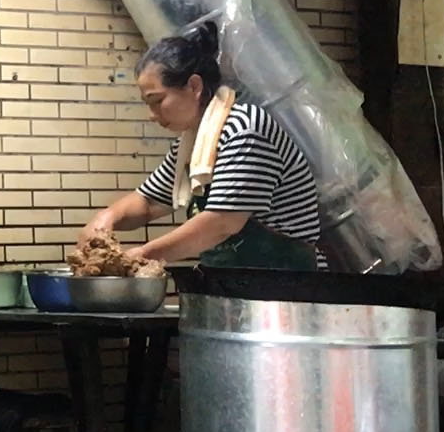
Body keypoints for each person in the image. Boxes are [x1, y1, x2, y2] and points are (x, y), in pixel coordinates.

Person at [80, 21, 324, 270]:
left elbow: (221, 222)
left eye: (156, 100)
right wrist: (106, 218)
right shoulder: (190, 145)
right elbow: (148, 202)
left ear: (194, 86)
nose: (151, 114)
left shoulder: (244, 129)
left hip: (288, 290)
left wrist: (141, 256)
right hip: (232, 286)